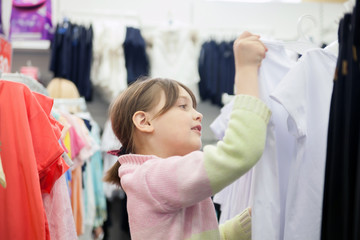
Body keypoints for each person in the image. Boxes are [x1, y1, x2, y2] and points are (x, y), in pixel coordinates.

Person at [104, 31, 270, 240]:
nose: (198, 115)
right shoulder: (154, 176)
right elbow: (240, 151)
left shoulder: (155, 179)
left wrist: (252, 219)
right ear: (144, 122)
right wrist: (246, 70)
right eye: (183, 106)